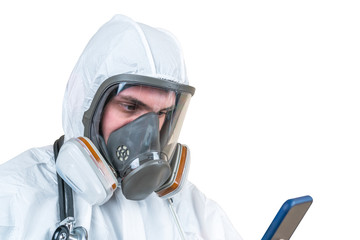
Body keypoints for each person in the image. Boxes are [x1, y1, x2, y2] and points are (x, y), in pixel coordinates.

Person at [0, 14, 242, 239]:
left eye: (162, 113)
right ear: (85, 101)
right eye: (130, 107)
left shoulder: (194, 213)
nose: (148, 131)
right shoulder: (14, 200)